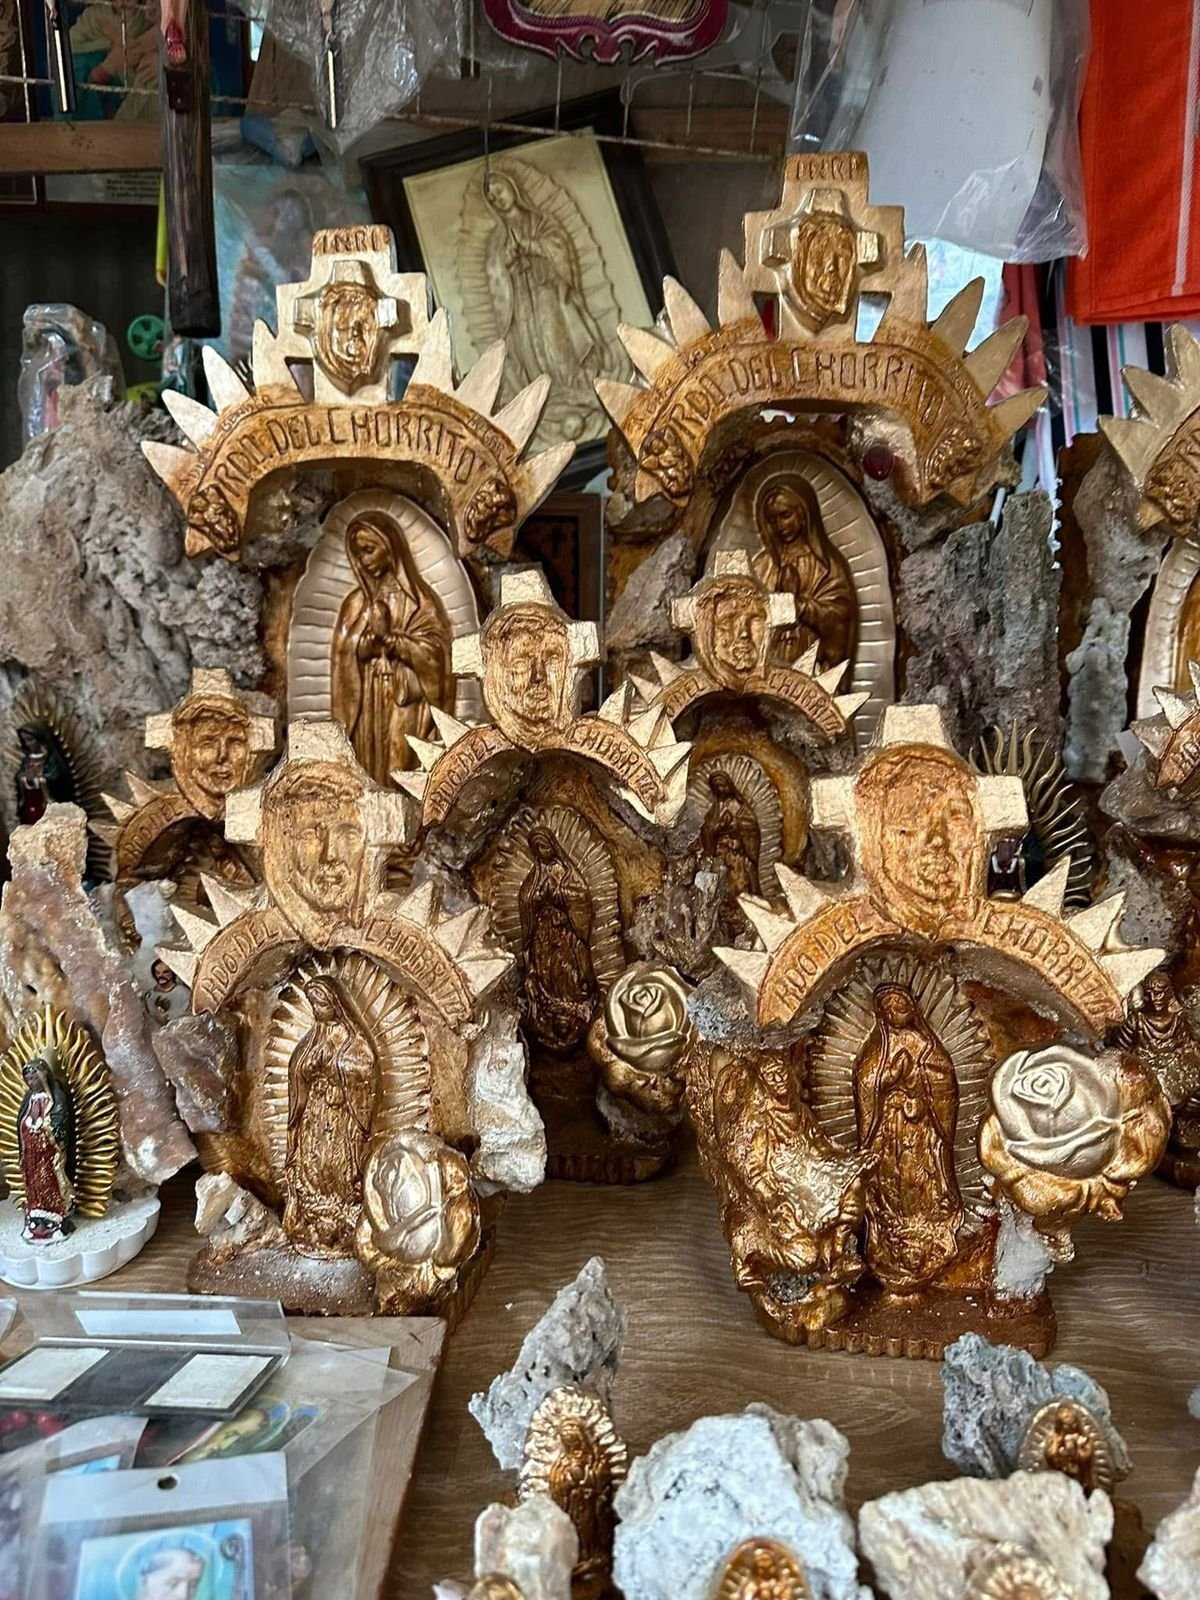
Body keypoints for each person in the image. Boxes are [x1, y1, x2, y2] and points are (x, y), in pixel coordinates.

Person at [852, 983, 963, 1291]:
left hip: (923, 1133)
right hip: (888, 1133)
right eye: (889, 1009)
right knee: (892, 1182)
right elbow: (865, 1083)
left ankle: (928, 1233)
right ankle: (893, 1237)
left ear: (912, 1009)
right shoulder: (878, 1048)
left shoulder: (926, 1045)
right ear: (881, 1014)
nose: (896, 1014)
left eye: (901, 1007)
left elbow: (945, 1082)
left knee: (923, 1180)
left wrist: (920, 1081)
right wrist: (889, 1079)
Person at [331, 513, 451, 782]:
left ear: (390, 547)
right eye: (358, 554)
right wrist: (366, 645)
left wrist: (395, 642)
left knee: (399, 769)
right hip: (367, 698)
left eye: (369, 550)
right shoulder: (356, 604)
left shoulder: (420, 603)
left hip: (405, 698)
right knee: (367, 769)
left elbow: (435, 654)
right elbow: (344, 654)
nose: (364, 560)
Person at [482, 168, 613, 404]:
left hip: (547, 291)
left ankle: (575, 383)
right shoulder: (496, 239)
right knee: (531, 346)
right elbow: (495, 273)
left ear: (512, 187)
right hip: (520, 299)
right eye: (492, 198)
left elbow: (559, 246)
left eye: (499, 191)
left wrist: (530, 245)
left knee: (555, 339)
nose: (497, 199)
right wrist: (507, 260)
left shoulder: (540, 220)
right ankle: (549, 395)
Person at [283, 976, 377, 1250]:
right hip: (315, 1113)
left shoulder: (352, 1039)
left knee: (337, 1163)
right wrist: (307, 1069)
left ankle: (343, 1207)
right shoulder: (314, 1037)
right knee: (312, 1159)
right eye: (313, 1004)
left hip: (341, 1118)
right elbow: (297, 1068)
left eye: (321, 1003)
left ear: (337, 1004)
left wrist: (337, 1071)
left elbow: (364, 1068)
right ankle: (313, 1208)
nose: (316, 1009)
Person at [756, 479, 855, 669]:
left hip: (809, 652)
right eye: (772, 520)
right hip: (770, 657)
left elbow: (839, 616)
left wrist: (801, 607)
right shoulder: (763, 565)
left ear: (803, 513)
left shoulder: (826, 565)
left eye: (785, 515)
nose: (779, 525)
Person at [518, 829, 598, 1051]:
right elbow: (525, 900)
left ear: (554, 846)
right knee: (545, 972)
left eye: (545, 847)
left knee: (567, 973)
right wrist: (536, 899)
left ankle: (572, 1005)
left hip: (565, 935)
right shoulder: (535, 877)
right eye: (538, 849)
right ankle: (550, 1011)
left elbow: (580, 897)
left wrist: (560, 895)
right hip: (542, 937)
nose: (542, 852)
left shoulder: (567, 874)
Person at [17, 1055, 75, 1244]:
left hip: (50, 1154)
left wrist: (49, 1132)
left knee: (51, 1182)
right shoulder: (29, 1099)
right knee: (33, 1183)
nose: (31, 1082)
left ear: (44, 1076)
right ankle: (36, 1212)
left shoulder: (56, 1099)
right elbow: (21, 1122)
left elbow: (60, 1122)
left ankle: (57, 1213)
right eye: (28, 1079)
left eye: (35, 1077)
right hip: (31, 1154)